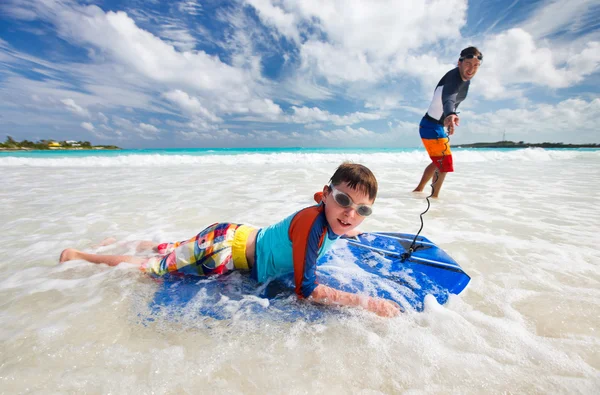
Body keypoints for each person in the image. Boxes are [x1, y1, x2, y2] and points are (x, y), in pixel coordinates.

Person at [60, 162, 401, 317]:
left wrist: (355, 227)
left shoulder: (337, 220)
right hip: (223, 250)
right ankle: (80, 256)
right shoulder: (312, 225)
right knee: (153, 269)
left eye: (362, 210)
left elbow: (346, 226)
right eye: (343, 201)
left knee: (172, 248)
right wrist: (367, 303)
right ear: (325, 195)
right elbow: (306, 290)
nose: (350, 214)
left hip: (233, 234)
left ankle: (121, 240)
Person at [413, 46, 483, 197]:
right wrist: (450, 113)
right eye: (468, 64)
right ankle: (434, 198)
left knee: (439, 162)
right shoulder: (453, 77)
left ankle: (418, 191)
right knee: (445, 164)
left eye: (476, 65)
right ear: (460, 63)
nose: (471, 69)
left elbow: (451, 103)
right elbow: (449, 98)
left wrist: (450, 119)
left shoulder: (465, 81)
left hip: (435, 126)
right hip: (430, 126)